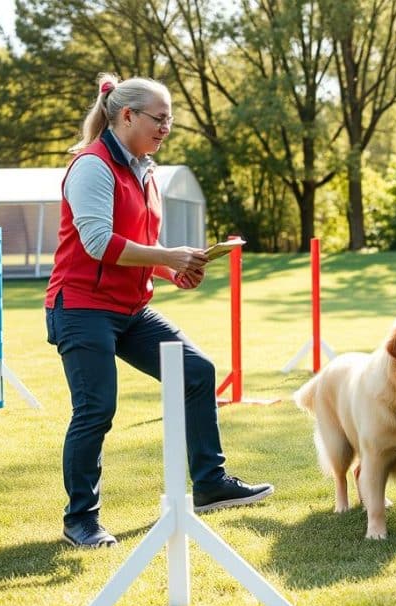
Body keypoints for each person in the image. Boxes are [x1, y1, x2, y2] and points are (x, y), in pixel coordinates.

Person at [45, 73, 273, 548]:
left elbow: (144, 244)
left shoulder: (145, 169)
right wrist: (169, 258)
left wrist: (173, 270)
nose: (166, 127)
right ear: (126, 115)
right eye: (160, 118)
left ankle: (210, 483)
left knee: (196, 371)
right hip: (82, 307)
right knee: (96, 408)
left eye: (170, 119)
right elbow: (97, 243)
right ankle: (80, 519)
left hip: (130, 308)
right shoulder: (93, 166)